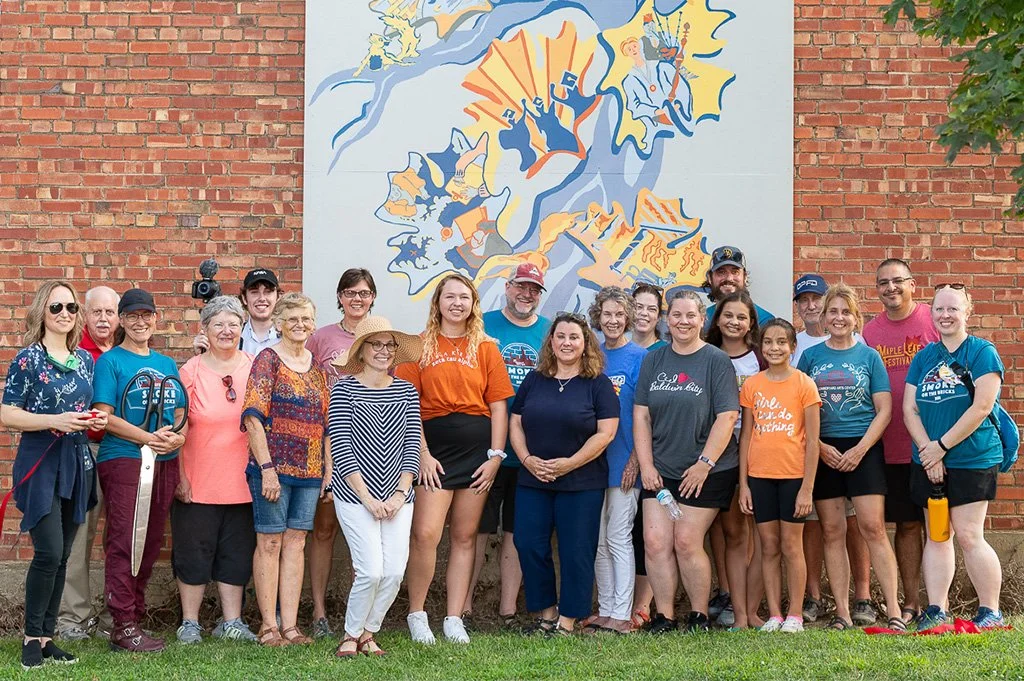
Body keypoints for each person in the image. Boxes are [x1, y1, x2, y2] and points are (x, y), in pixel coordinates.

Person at [396, 273, 514, 645]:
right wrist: (423, 455)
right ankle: (417, 614)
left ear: (473, 304)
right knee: (425, 534)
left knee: (465, 537)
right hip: (433, 452)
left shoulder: (486, 348)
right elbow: (406, 406)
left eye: (465, 297)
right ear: (438, 303)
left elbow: (498, 406)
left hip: (477, 454)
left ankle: (453, 617)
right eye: (450, 297)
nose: (457, 303)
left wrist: (496, 457)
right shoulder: (417, 347)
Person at [2, 281, 106, 669]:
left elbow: (85, 409)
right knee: (47, 552)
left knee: (63, 555)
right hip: (40, 460)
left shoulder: (84, 361)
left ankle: (47, 638)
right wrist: (53, 420)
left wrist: (95, 418)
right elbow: (8, 413)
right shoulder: (28, 359)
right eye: (56, 307)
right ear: (41, 313)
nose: (65, 314)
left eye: (71, 308)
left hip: (76, 462)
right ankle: (30, 636)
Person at [797, 283, 904, 631]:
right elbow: (800, 409)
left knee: (873, 527)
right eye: (833, 312)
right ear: (824, 318)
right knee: (831, 529)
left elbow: (884, 409)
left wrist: (861, 449)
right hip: (823, 447)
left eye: (846, 312)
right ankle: (842, 611)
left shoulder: (868, 356)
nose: (839, 317)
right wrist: (821, 447)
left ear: (856, 318)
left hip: (865, 446)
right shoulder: (810, 358)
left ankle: (893, 610)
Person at [634, 291, 740, 634]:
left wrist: (704, 464)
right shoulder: (654, 360)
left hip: (708, 470)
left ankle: (698, 616)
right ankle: (663, 616)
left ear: (702, 319)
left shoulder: (716, 361)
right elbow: (641, 417)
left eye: (690, 316)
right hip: (661, 469)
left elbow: (727, 417)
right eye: (676, 315)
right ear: (666, 319)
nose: (683, 321)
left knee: (686, 541)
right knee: (654, 540)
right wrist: (647, 466)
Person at [904, 284, 1007, 631]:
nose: (945, 315)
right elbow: (909, 409)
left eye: (953, 309)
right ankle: (936, 609)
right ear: (931, 313)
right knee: (937, 533)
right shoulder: (924, 357)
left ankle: (990, 610)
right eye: (939, 309)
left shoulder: (981, 353)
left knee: (968, 535)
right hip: (929, 461)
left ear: (967, 312)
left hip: (973, 458)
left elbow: (981, 407)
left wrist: (941, 447)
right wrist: (928, 453)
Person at [510, 312, 619, 635]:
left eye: (574, 337)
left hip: (581, 481)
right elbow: (516, 421)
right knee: (529, 544)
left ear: (585, 343)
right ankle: (546, 613)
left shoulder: (597, 383)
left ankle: (569, 619)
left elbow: (606, 433)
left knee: (576, 550)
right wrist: (527, 459)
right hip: (534, 479)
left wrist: (570, 463)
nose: (567, 342)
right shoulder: (535, 379)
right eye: (561, 336)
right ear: (551, 342)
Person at [92, 288, 186, 652]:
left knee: (148, 541)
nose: (140, 321)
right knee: (125, 539)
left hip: (164, 459)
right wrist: (148, 437)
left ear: (156, 319)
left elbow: (181, 415)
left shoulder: (166, 363)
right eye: (132, 315)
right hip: (125, 458)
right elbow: (103, 417)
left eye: (147, 314)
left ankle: (136, 616)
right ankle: (122, 623)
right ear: (122, 320)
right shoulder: (111, 361)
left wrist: (176, 439)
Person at [327, 316, 423, 657]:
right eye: (376, 344)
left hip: (399, 496)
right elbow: (341, 446)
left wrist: (399, 493)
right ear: (361, 351)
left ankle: (369, 632)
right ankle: (350, 635)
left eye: (389, 345)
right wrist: (368, 498)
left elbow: (412, 444)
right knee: (370, 570)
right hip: (355, 496)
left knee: (394, 572)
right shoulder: (343, 388)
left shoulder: (406, 390)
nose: (383, 351)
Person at [241, 292, 331, 647]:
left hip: (310, 471)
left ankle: (290, 626)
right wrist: (266, 468)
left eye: (306, 318)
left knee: (296, 543)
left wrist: (327, 469)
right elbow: (252, 417)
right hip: (272, 469)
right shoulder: (267, 360)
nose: (300, 325)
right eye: (292, 318)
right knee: (270, 542)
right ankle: (268, 626)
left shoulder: (320, 368)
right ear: (278, 323)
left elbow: (326, 422)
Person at [465, 263, 550, 630]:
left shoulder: (549, 333)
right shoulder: (483, 328)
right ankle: (463, 607)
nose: (526, 295)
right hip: (485, 448)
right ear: (508, 287)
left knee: (517, 533)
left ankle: (507, 612)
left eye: (534, 289)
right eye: (521, 287)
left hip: (531, 452)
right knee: (475, 531)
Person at [172, 296, 258, 644]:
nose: (226, 330)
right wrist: (180, 475)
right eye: (218, 324)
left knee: (236, 552)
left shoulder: (255, 366)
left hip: (243, 480)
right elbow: (178, 427)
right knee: (193, 550)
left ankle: (232, 621)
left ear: (242, 328)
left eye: (233, 323)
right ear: (204, 329)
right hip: (198, 479)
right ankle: (190, 622)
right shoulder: (190, 370)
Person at [791, 274, 873, 625]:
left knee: (858, 524)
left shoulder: (861, 347)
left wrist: (861, 447)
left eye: (817, 298)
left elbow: (877, 403)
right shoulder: (798, 348)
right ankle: (814, 597)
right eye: (805, 300)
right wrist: (816, 445)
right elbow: (795, 402)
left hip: (857, 449)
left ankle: (864, 598)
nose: (813, 306)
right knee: (817, 526)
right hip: (815, 450)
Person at [862, 259, 938, 624]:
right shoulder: (869, 333)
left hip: (933, 445)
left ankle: (937, 601)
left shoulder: (931, 321)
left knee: (939, 524)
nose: (890, 288)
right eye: (883, 283)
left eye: (897, 281)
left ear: (912, 284)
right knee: (905, 524)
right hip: (888, 445)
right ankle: (911, 603)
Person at [306, 268, 378, 640]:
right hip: (325, 440)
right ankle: (319, 611)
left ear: (372, 298)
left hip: (369, 444)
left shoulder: (382, 336)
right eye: (350, 292)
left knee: (363, 533)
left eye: (364, 293)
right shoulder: (321, 338)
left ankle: (360, 613)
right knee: (324, 528)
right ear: (339, 296)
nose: (357, 299)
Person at [738, 319, 821, 633]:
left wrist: (807, 489)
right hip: (760, 476)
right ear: (761, 347)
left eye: (781, 342)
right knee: (768, 546)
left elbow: (813, 441)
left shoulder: (804, 384)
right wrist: (744, 484)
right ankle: (774, 614)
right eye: (768, 342)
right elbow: (745, 436)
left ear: (792, 347)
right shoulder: (752, 385)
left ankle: (795, 614)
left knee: (791, 545)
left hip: (794, 476)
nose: (774, 348)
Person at [57, 285, 119, 641]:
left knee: (121, 536)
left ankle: (117, 615)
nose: (103, 319)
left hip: (122, 452)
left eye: (110, 312)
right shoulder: (74, 353)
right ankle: (72, 620)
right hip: (86, 452)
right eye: (97, 312)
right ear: (85, 314)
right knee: (79, 535)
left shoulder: (126, 352)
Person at [703, 291, 767, 629]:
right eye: (728, 315)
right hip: (714, 450)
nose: (734, 322)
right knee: (721, 526)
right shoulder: (707, 355)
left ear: (751, 324)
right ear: (717, 320)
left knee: (743, 528)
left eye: (742, 317)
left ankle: (745, 604)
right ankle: (726, 592)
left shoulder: (760, 359)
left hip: (752, 450)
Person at [585, 287, 646, 634]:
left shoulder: (640, 357)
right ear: (598, 316)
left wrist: (636, 459)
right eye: (607, 314)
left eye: (619, 315)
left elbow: (645, 414)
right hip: (593, 461)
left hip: (625, 459)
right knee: (598, 537)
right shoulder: (591, 356)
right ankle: (606, 607)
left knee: (618, 536)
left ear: (629, 318)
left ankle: (622, 613)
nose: (612, 320)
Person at [627, 282, 665, 629]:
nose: (643, 313)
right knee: (618, 534)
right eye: (637, 306)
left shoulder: (664, 354)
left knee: (648, 535)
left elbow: (657, 415)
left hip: (655, 459)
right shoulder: (607, 348)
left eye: (651, 308)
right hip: (614, 458)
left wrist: (640, 458)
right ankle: (619, 601)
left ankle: (643, 605)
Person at [194, 268, 281, 354]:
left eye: (268, 292)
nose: (262, 298)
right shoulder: (227, 336)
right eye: (254, 292)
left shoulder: (288, 337)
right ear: (244, 298)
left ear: (278, 297)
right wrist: (203, 355)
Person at [703, 246, 775, 332]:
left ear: (745, 277)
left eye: (735, 272)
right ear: (710, 278)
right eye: (721, 272)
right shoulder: (702, 319)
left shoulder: (764, 320)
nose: (729, 278)